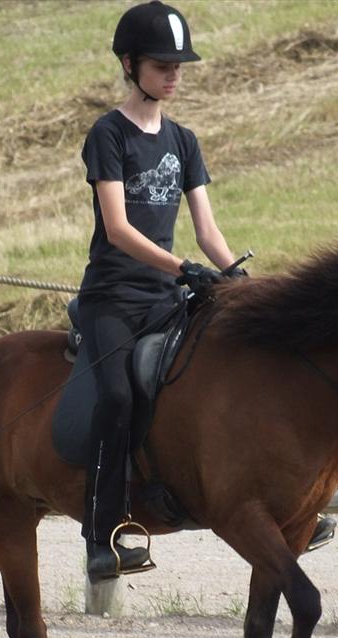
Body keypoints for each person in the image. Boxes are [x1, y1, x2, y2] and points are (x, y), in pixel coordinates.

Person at [78, 1, 236, 582]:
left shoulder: (184, 140)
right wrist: (183, 266)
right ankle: (103, 536)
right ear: (130, 64)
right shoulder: (108, 134)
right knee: (118, 399)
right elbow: (118, 229)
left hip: (168, 299)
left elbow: (208, 231)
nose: (173, 75)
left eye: (178, 66)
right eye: (162, 65)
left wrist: (238, 278)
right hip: (113, 299)